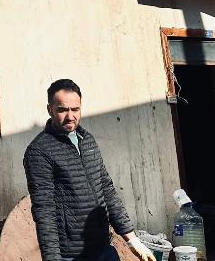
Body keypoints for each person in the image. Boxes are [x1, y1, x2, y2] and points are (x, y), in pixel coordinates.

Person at [23, 79, 155, 261]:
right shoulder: (39, 151)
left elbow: (107, 191)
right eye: (62, 110)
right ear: (50, 110)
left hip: (103, 247)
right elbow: (44, 211)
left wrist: (132, 240)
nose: (70, 116)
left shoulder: (87, 140)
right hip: (72, 254)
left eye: (75, 109)